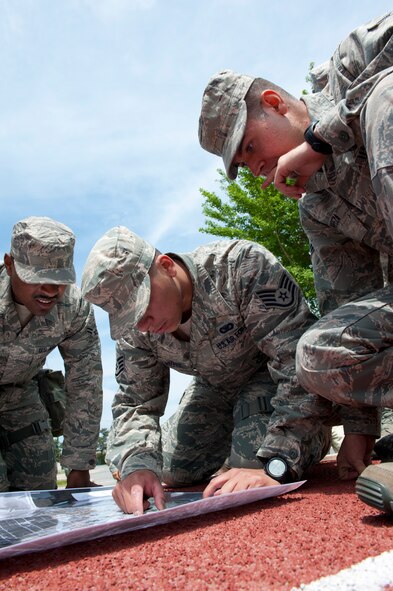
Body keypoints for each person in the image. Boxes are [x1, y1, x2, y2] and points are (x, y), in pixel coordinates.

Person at [197, 12, 393, 511]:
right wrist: (358, 429)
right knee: (318, 352)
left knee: (386, 98)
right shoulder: (319, 208)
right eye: (243, 167)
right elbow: (351, 298)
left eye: (251, 148)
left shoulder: (351, 63)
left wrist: (321, 139)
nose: (257, 170)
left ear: (274, 104)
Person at [81, 226, 342, 515]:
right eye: (129, 317)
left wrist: (279, 457)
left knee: (252, 464)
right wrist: (136, 465)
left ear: (166, 266)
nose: (142, 323)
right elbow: (136, 401)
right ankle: (239, 438)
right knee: (170, 470)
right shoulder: (137, 330)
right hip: (212, 390)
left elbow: (295, 362)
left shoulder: (241, 267)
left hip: (269, 379)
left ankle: (315, 432)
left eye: (141, 305)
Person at [0, 216, 103, 491]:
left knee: (41, 490)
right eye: (38, 277)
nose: (50, 290)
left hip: (21, 392)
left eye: (59, 280)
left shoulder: (74, 309)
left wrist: (79, 466)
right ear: (10, 265)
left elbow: (85, 384)